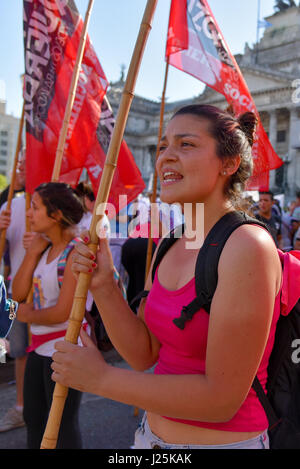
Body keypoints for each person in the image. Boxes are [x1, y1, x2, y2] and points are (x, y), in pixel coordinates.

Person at [51, 104, 282, 449]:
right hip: (149, 440)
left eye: (185, 144)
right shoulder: (170, 242)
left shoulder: (248, 245)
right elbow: (144, 353)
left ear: (229, 163)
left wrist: (101, 379)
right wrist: (104, 285)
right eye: (163, 146)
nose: (165, 158)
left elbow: (221, 400)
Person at [12, 182, 85, 449]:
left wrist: (27, 315)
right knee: (35, 420)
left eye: (35, 208)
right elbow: (17, 294)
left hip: (65, 352)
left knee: (62, 427)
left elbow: (62, 312)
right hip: (38, 350)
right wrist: (31, 254)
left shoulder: (76, 252)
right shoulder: (43, 248)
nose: (29, 214)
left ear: (55, 215)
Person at [0, 153, 27, 433]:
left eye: (25, 162)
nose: (19, 166)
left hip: (52, 295)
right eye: (18, 162)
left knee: (49, 355)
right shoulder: (11, 205)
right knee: (19, 352)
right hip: (16, 294)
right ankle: (20, 408)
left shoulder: (61, 202)